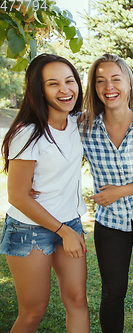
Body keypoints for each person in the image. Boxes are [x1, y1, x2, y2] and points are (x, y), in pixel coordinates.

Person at [0, 54, 89, 332]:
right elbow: (18, 196)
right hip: (29, 229)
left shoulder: (77, 122)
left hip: (70, 224)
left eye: (69, 81)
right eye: (53, 84)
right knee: (33, 312)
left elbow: (116, 111)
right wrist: (63, 231)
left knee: (77, 300)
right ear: (39, 90)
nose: (65, 90)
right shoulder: (28, 133)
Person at [81, 54, 133, 333]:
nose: (109, 87)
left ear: (129, 84)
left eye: (116, 79)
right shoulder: (84, 128)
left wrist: (121, 191)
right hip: (110, 223)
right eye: (101, 81)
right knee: (112, 292)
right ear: (94, 88)